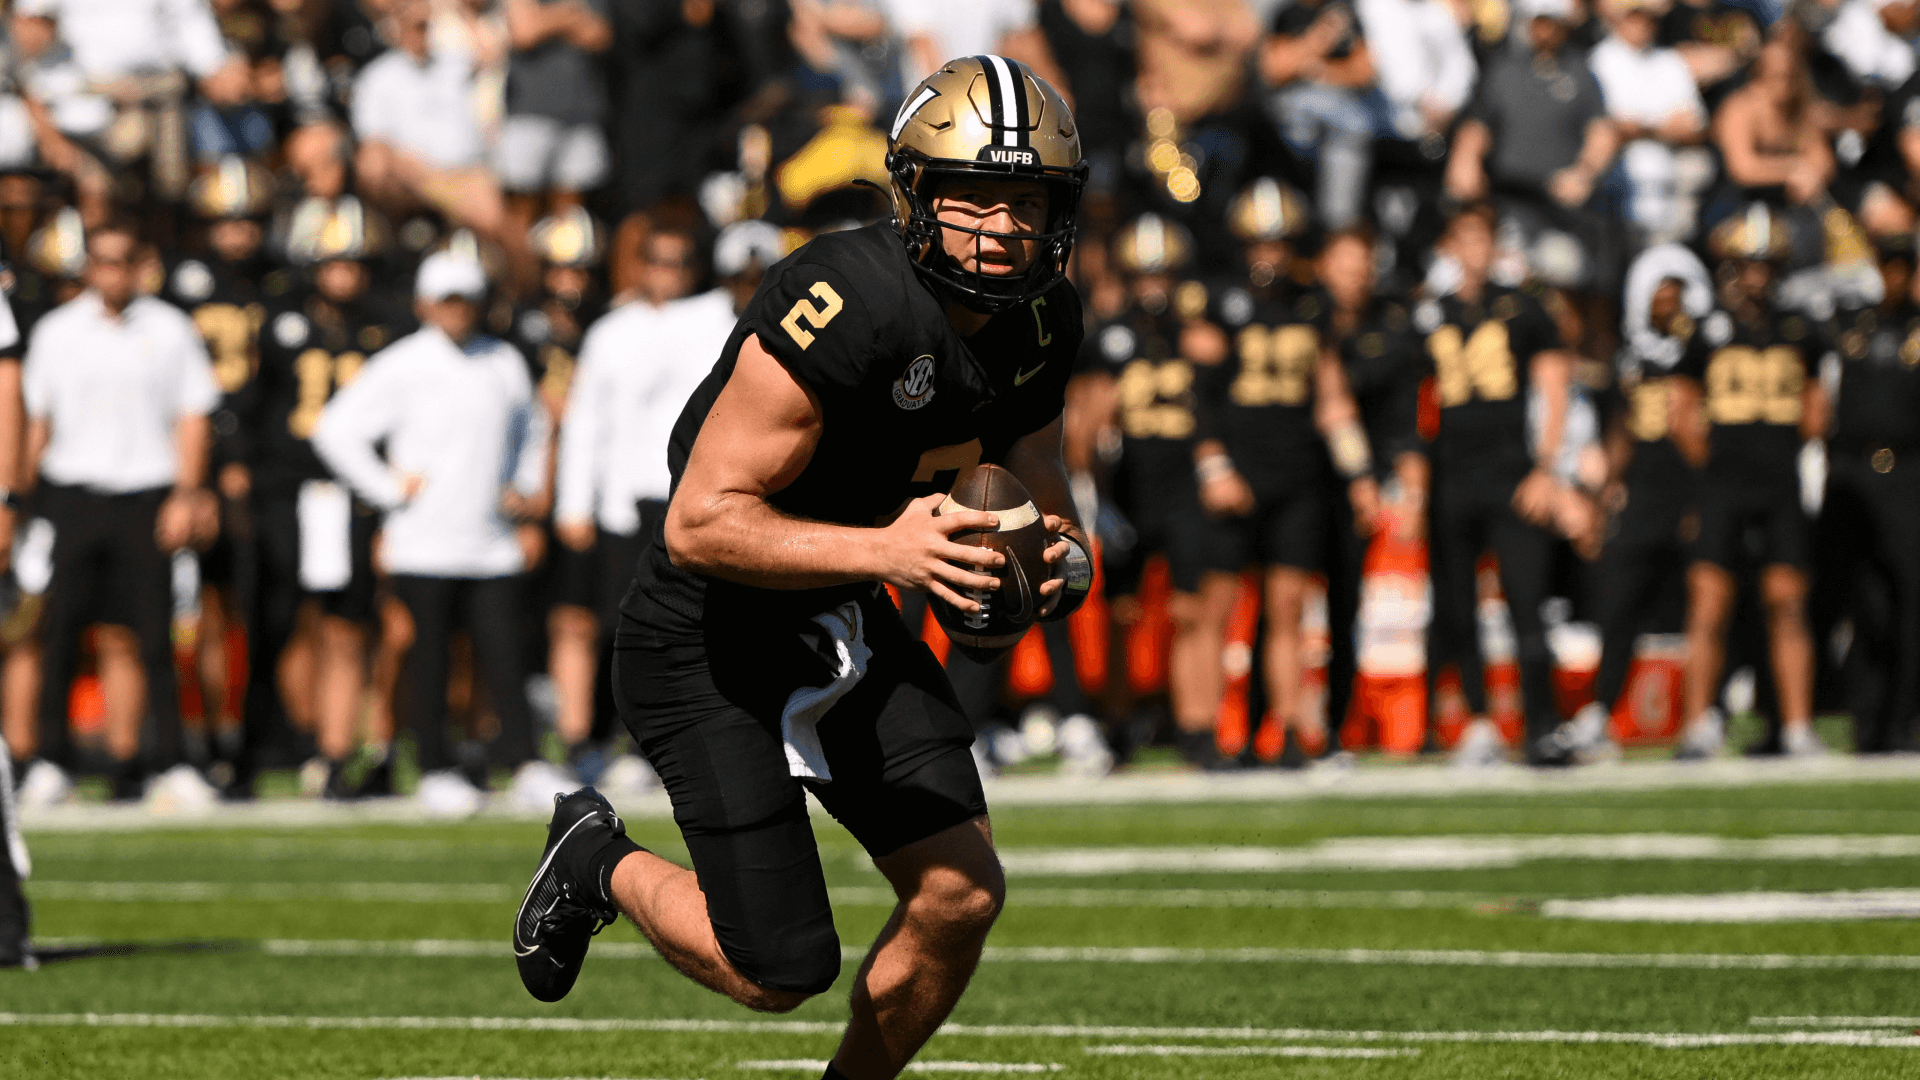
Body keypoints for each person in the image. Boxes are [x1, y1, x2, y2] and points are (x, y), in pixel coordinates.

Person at [512, 56, 1092, 1080]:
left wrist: (1063, 556)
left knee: (960, 894)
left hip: (843, 614)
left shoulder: (1041, 317)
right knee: (777, 968)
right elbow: (700, 523)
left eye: (1029, 201)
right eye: (975, 196)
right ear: (917, 193)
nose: (1005, 226)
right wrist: (890, 551)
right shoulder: (845, 298)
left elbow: (1034, 465)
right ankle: (596, 860)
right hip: (708, 634)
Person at [312, 249, 550, 816]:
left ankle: (525, 763)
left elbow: (534, 429)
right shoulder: (402, 364)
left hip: (491, 542)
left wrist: (524, 488)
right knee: (429, 659)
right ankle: (435, 769)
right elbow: (335, 430)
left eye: (466, 300)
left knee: (505, 656)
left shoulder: (503, 361)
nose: (457, 310)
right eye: (446, 300)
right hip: (422, 543)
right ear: (424, 305)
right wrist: (388, 489)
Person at [22, 221, 221, 805]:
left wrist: (186, 494)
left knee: (155, 637)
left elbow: (193, 415)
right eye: (102, 262)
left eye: (123, 261)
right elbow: (37, 421)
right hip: (73, 495)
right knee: (60, 633)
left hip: (145, 496)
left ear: (140, 266)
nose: (112, 273)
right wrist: (22, 505)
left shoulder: (170, 328)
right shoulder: (57, 331)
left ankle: (170, 761)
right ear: (88, 268)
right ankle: (51, 760)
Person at [1191, 178, 1380, 763]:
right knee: (1217, 607)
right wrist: (1214, 466)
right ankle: (1203, 736)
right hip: (1237, 470)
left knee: (1289, 608)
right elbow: (1195, 396)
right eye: (1259, 242)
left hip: (1297, 474)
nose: (1269, 254)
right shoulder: (1219, 301)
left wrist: (1359, 474)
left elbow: (1333, 398)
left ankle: (1291, 731)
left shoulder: (1312, 303)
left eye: (1278, 242)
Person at [551, 217, 747, 779]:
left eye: (678, 261)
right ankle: (608, 739)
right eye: (656, 260)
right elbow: (586, 422)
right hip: (624, 501)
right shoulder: (611, 332)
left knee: (692, 629)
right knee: (619, 628)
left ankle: (674, 739)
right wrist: (574, 504)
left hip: (694, 498)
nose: (666, 272)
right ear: (638, 265)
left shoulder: (719, 320)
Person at [232, 194, 402, 800]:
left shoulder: (386, 329)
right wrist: (243, 470)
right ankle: (281, 741)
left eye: (354, 262)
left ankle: (334, 750)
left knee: (347, 624)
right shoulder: (279, 321)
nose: (344, 274)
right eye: (333, 262)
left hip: (355, 494)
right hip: (287, 490)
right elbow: (254, 406)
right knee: (279, 620)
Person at [1537, 244, 1711, 765]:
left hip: (1696, 488)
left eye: (1675, 295)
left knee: (1707, 606)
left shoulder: (1704, 349)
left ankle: (1708, 715)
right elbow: (1621, 430)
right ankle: (1600, 713)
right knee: (1619, 605)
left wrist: (1705, 489)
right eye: (1659, 294)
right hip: (1643, 494)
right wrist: (1605, 493)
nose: (1667, 304)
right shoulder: (1629, 357)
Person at [1419, 203, 1575, 767]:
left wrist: (1547, 469)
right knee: (1458, 608)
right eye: (1464, 239)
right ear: (1449, 247)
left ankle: (1541, 724)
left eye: (1483, 239)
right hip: (1452, 476)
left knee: (1527, 605)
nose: (1475, 251)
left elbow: (1555, 386)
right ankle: (1479, 722)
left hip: (1512, 474)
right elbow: (1413, 399)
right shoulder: (1430, 313)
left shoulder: (1523, 308)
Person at [1670, 204, 1829, 759]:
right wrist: (1714, 464)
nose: (1757, 276)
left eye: (1766, 264)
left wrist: (1780, 451)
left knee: (1788, 602)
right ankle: (1698, 724)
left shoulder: (1799, 328)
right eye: (1748, 264)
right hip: (1724, 484)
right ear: (1732, 267)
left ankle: (1797, 727)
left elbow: (1816, 408)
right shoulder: (1707, 330)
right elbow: (1681, 411)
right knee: (1709, 603)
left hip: (1779, 482)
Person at [1083, 213, 1239, 767]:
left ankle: (1197, 728)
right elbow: (1087, 424)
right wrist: (1095, 494)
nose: (1154, 286)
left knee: (1193, 610)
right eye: (1145, 275)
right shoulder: (1108, 336)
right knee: (1122, 614)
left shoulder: (1196, 336)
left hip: (1183, 489)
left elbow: (1219, 408)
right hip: (1129, 486)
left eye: (1163, 274)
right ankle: (1118, 726)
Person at [1317, 225, 1427, 756]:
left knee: (1348, 608)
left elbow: (1407, 420)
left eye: (1362, 267)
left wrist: (1406, 489)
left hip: (1365, 487)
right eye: (1344, 265)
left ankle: (1338, 726)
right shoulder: (1305, 320)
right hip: (1303, 477)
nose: (1353, 277)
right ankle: (1268, 728)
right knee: (1282, 607)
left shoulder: (1393, 328)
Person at [1815, 236, 1920, 753]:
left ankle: (1903, 718)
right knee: (1862, 599)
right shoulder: (1852, 324)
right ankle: (1866, 716)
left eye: (1904, 267)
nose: (1894, 277)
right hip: (1854, 470)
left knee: (1910, 600)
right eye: (1888, 266)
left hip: (1907, 470)